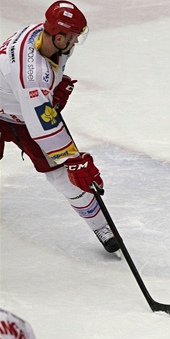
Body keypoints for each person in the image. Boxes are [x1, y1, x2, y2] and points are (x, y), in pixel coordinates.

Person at [0, 1, 119, 253]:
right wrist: (74, 159)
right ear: (59, 34)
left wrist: (50, 94)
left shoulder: (47, 39)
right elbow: (43, 128)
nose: (75, 42)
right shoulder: (31, 74)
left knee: (62, 176)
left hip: (19, 110)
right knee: (69, 169)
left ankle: (100, 225)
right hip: (13, 112)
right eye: (73, 37)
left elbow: (37, 109)